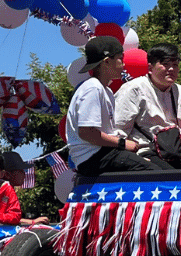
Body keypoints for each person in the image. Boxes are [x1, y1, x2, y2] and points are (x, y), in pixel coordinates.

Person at [65, 36, 172, 176]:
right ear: (107, 62)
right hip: (92, 157)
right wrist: (122, 143)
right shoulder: (93, 88)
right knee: (155, 174)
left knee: (159, 169)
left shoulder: (106, 90)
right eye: (120, 58)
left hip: (103, 154)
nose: (123, 64)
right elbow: (86, 132)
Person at [115, 43, 181, 158]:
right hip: (144, 152)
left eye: (175, 65)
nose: (171, 69)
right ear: (150, 68)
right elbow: (118, 129)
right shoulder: (134, 89)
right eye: (166, 64)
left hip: (175, 153)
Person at [2, 151, 51, 226]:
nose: (24, 174)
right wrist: (32, 222)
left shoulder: (8, 190)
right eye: (21, 170)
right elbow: (4, 218)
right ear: (7, 174)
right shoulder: (0, 192)